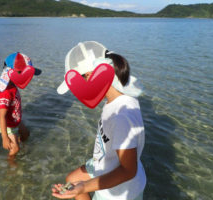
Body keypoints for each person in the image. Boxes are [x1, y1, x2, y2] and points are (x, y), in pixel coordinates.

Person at [52, 41, 146, 200]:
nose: (77, 93)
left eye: (78, 84)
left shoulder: (121, 116)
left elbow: (128, 171)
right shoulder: (117, 99)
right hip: (104, 164)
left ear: (90, 76)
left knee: (78, 187)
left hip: (119, 193)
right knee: (71, 179)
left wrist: (83, 187)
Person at [0, 52, 41, 160]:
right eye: (25, 75)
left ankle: (19, 144)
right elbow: (2, 116)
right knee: (15, 149)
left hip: (15, 120)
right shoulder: (5, 92)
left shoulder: (12, 85)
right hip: (7, 125)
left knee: (26, 134)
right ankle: (11, 164)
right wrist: (4, 137)